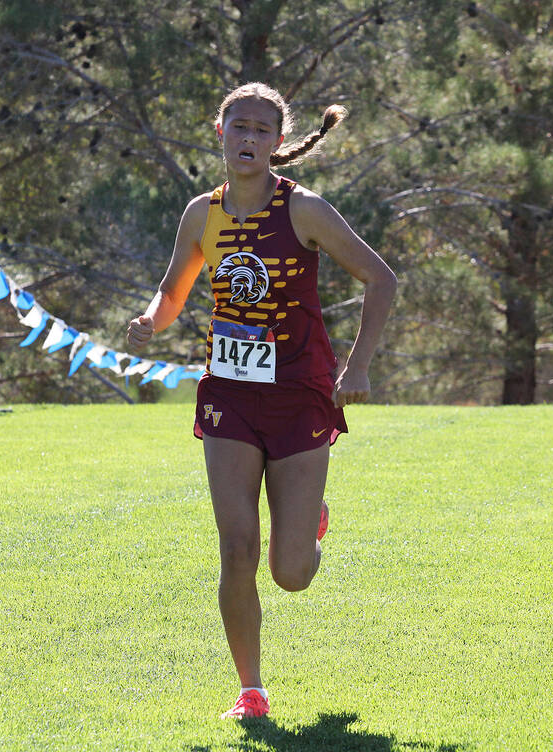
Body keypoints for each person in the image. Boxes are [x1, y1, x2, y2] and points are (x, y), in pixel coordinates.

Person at [126, 83, 397, 719]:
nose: (247, 139)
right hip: (229, 396)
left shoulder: (305, 211)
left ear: (277, 143)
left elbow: (381, 278)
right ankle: (251, 690)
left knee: (291, 573)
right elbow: (173, 293)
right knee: (236, 547)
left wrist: (357, 367)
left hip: (300, 392)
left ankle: (310, 522)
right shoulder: (201, 214)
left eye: (261, 130)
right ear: (219, 131)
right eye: (237, 127)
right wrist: (149, 322)